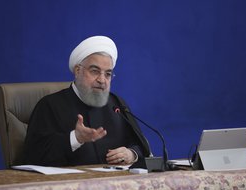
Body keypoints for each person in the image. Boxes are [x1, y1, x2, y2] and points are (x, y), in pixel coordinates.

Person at [23, 36, 151, 167]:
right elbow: (33, 155)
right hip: (69, 185)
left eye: (108, 74)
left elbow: (141, 146)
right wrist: (75, 139)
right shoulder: (50, 105)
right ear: (78, 71)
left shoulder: (116, 104)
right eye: (95, 71)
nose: (102, 80)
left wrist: (131, 154)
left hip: (115, 184)